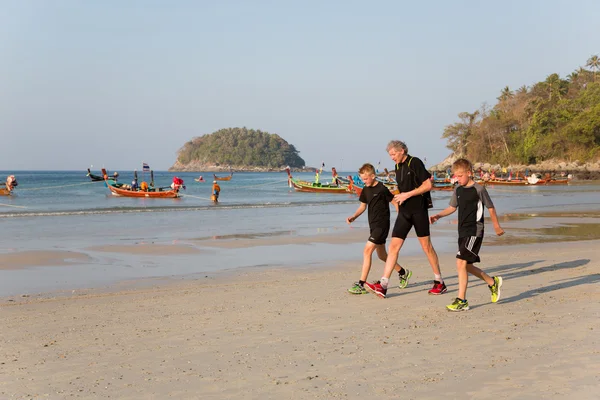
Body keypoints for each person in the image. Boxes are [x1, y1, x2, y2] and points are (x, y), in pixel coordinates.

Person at [364, 140, 445, 298]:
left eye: (393, 154)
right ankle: (383, 284)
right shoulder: (397, 167)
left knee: (426, 247)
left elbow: (428, 185)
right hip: (404, 212)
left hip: (418, 210)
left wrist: (407, 194)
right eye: (390, 155)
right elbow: (403, 188)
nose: (392, 157)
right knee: (394, 247)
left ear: (402, 150)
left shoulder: (414, 162)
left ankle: (439, 282)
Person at [430, 158, 505, 311]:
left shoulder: (479, 189)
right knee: (467, 266)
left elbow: (490, 207)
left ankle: (461, 300)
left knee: (460, 262)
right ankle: (492, 282)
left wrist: (496, 225)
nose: (457, 178)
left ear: (469, 173)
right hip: (462, 231)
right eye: (455, 176)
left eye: (460, 176)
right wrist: (438, 215)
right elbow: (452, 208)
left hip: (475, 230)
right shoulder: (457, 189)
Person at [346, 163, 411, 295]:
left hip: (382, 225)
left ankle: (361, 284)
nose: (364, 181)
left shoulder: (382, 188)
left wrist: (401, 218)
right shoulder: (365, 189)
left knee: (367, 250)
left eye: (365, 179)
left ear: (373, 176)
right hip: (373, 225)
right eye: (362, 179)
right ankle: (403, 272)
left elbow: (394, 202)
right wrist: (354, 217)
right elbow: (363, 206)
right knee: (382, 256)